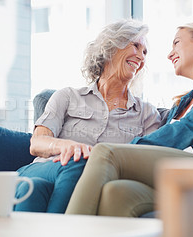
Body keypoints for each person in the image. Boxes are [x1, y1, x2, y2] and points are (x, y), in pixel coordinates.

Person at [65, 21, 193, 216]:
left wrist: (121, 152)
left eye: (176, 43)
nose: (169, 54)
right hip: (183, 180)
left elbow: (187, 130)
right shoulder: (181, 104)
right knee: (116, 193)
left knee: (107, 153)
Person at [14, 19, 161, 213]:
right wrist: (65, 145)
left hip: (86, 182)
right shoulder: (67, 96)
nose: (141, 56)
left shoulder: (147, 114)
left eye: (145, 52)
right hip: (44, 168)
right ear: (111, 46)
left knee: (36, 190)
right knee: (78, 160)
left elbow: (151, 164)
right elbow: (37, 143)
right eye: (136, 45)